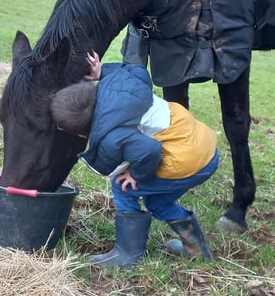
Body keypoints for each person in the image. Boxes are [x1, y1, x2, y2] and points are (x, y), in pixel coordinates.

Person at [50, 51, 219, 267]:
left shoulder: (112, 137)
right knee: (157, 202)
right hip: (202, 147)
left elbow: (147, 150)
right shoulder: (115, 87)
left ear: (84, 134)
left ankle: (127, 254)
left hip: (186, 158)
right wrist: (102, 71)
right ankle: (195, 248)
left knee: (122, 186)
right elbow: (135, 70)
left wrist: (135, 174)